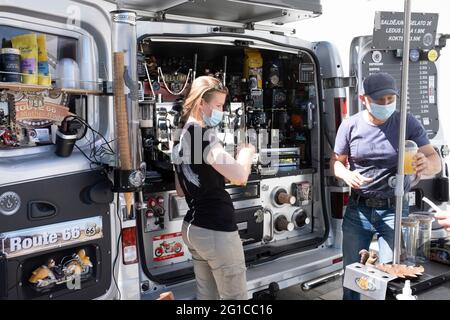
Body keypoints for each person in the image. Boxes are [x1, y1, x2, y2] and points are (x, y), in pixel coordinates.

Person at [330, 72, 442, 300]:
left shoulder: (405, 122)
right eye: (379, 101)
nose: (386, 105)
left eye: (391, 100)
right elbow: (336, 162)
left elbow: (434, 160)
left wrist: (425, 164)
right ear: (364, 99)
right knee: (352, 277)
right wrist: (345, 174)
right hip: (358, 210)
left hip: (394, 209)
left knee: (392, 276)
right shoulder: (350, 126)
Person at [172, 76, 255, 300]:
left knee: (207, 297)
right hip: (216, 229)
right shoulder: (204, 135)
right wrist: (246, 154)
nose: (221, 111)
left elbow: (181, 189)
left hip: (193, 228)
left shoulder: (179, 137)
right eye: (218, 105)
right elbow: (240, 176)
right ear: (201, 103)